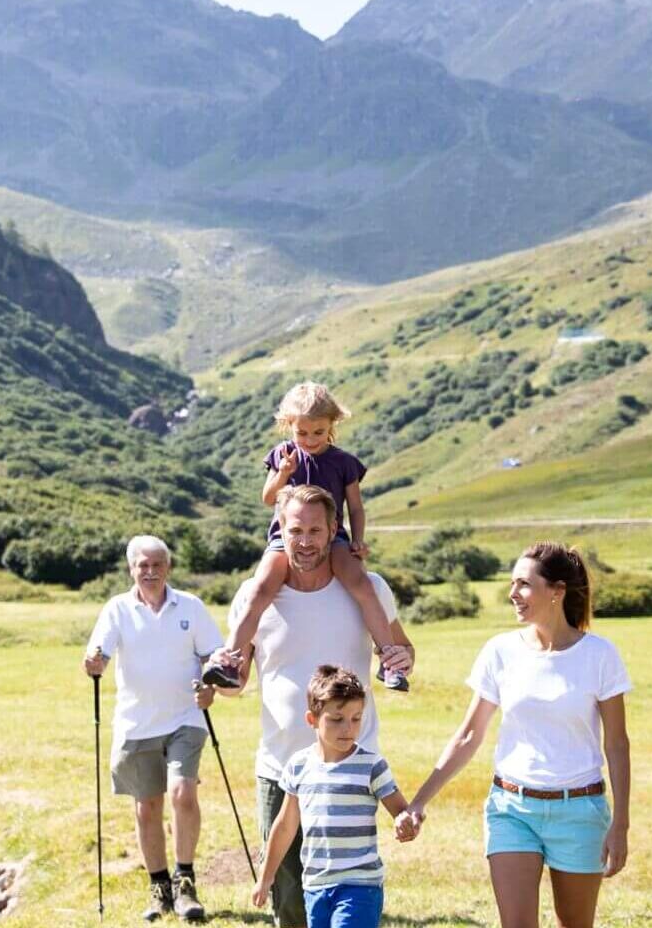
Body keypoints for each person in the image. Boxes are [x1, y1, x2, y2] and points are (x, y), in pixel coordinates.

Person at [401, 543, 632, 928]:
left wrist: (620, 823)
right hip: (511, 809)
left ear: (556, 591)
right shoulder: (500, 651)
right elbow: (469, 734)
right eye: (512, 583)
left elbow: (617, 744)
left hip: (579, 811)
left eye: (523, 584)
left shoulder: (599, 655)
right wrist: (419, 802)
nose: (512, 594)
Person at [214, 485, 412, 928]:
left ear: (333, 530)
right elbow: (237, 680)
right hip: (280, 767)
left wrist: (402, 657)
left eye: (315, 530)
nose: (304, 541)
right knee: (289, 903)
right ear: (279, 531)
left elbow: (403, 649)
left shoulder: (369, 587)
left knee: (346, 895)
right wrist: (214, 687)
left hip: (349, 768)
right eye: (294, 530)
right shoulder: (254, 595)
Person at [204, 383, 408, 691]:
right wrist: (283, 472)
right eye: (302, 433)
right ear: (288, 426)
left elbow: (355, 507)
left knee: (363, 585)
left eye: (319, 432)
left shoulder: (344, 462)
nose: (310, 440)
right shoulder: (282, 455)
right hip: (282, 539)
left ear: (332, 425)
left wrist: (358, 539)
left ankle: (391, 661)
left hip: (333, 536)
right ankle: (229, 660)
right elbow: (268, 497)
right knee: (259, 589)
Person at [85, 535, 228, 922]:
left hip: (185, 718)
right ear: (131, 569)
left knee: (183, 793)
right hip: (136, 724)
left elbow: (212, 656)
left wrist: (210, 687)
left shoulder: (191, 607)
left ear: (168, 567)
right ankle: (158, 887)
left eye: (156, 564)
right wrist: (95, 663)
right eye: (142, 565)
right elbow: (98, 653)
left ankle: (185, 883)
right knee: (147, 807)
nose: (149, 571)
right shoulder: (117, 609)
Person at [251, 665, 418, 928]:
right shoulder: (298, 766)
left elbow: (401, 809)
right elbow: (284, 826)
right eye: (337, 719)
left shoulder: (371, 766)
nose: (348, 728)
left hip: (360, 885)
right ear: (312, 720)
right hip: (316, 885)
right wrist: (266, 876)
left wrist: (405, 821)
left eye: (356, 718)